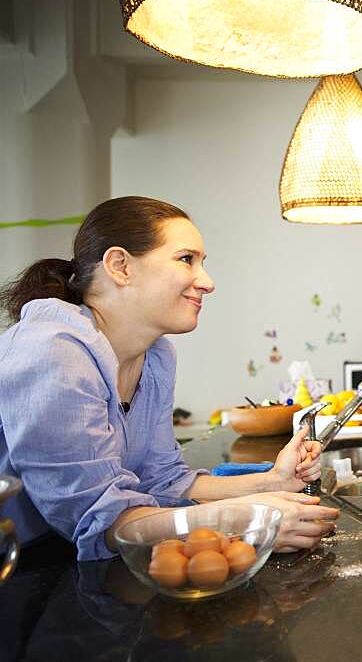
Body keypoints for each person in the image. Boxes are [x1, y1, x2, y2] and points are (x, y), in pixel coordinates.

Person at [0, 196, 339, 561]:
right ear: (120, 266)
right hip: (18, 566)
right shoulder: (52, 350)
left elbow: (161, 479)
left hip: (60, 560)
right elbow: (98, 517)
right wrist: (241, 519)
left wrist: (271, 482)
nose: (207, 282)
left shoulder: (157, 356)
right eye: (186, 259)